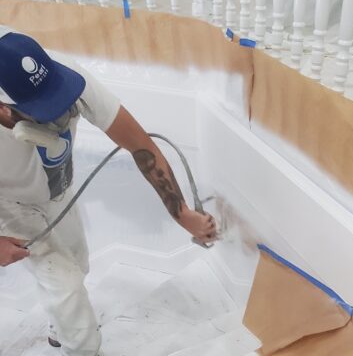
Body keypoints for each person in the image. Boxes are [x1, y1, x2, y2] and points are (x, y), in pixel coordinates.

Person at [0, 27, 217, 356]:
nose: (59, 115)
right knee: (67, 286)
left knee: (79, 264)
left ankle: (60, 330)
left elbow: (140, 146)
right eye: (42, 111)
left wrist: (182, 213)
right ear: (4, 109)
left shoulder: (68, 79)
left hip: (57, 186)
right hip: (9, 204)